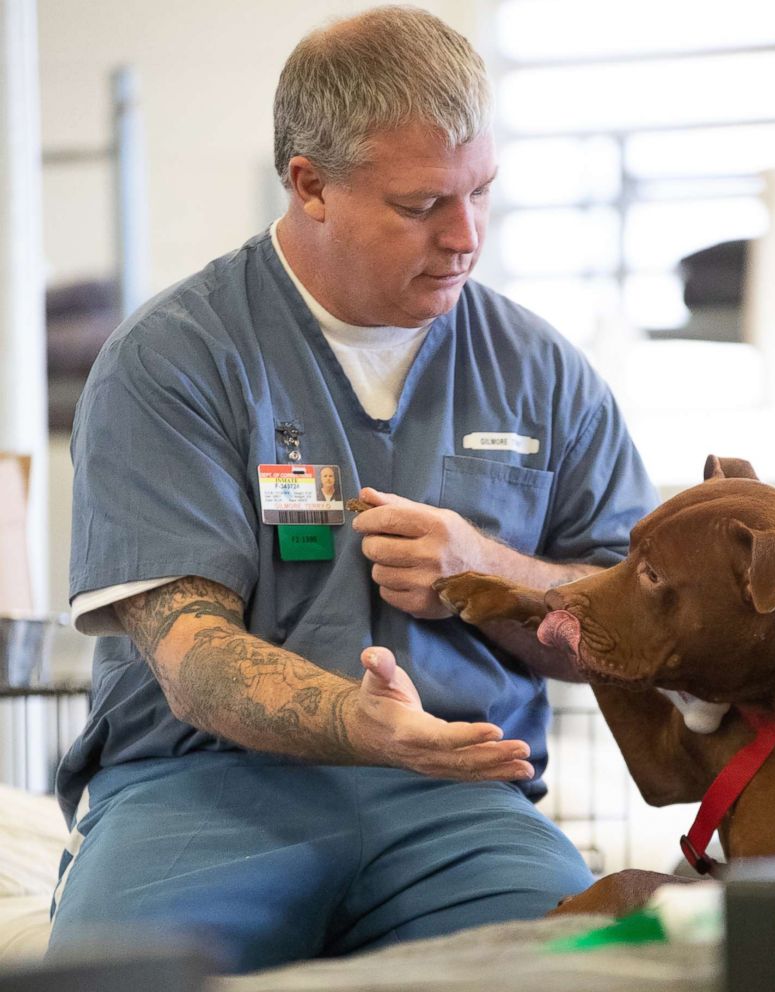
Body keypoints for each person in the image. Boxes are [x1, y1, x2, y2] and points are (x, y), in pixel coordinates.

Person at [48, 4, 659, 976]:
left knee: (584, 965)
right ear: (310, 185)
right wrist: (359, 724)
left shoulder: (540, 370)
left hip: (458, 805)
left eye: (482, 192)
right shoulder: (171, 360)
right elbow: (192, 655)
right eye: (421, 206)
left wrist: (489, 572)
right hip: (201, 793)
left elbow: (636, 635)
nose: (465, 237)